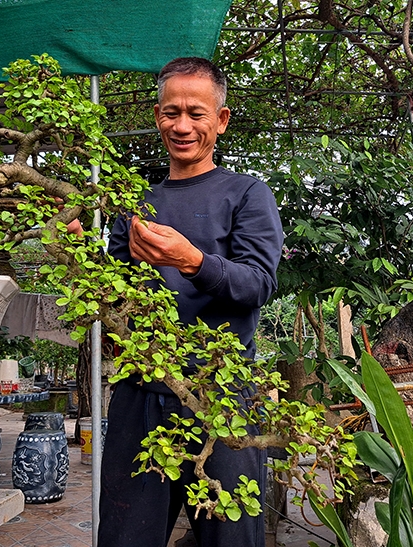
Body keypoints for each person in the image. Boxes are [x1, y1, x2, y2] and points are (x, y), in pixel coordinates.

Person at [99, 57, 283, 547]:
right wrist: (76, 249)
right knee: (125, 536)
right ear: (157, 114)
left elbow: (258, 284)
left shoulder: (247, 194)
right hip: (141, 392)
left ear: (220, 120)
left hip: (221, 392)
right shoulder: (136, 203)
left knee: (231, 539)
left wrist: (193, 260)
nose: (182, 126)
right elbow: (114, 293)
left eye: (196, 113)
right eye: (171, 112)